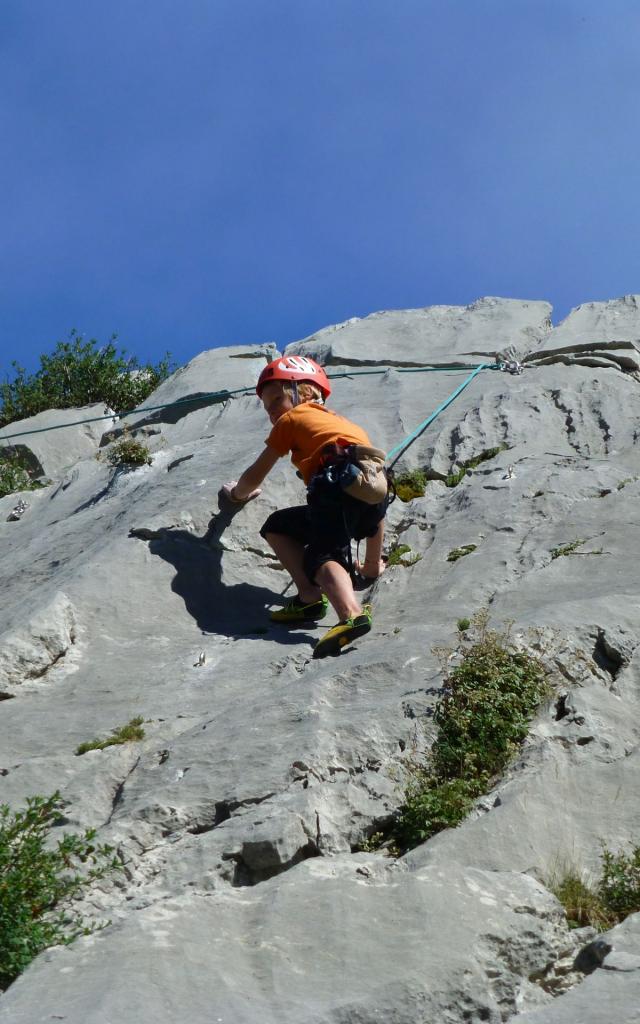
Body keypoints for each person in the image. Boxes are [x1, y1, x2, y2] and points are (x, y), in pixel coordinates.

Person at [220, 355, 389, 658]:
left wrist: (238, 494)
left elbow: (258, 471)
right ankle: (312, 596)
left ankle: (350, 615)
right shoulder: (343, 424)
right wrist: (372, 565)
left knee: (322, 556)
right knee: (278, 526)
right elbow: (375, 515)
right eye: (267, 406)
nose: (272, 411)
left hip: (332, 484)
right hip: (371, 485)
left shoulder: (293, 419)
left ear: (304, 393)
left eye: (275, 400)